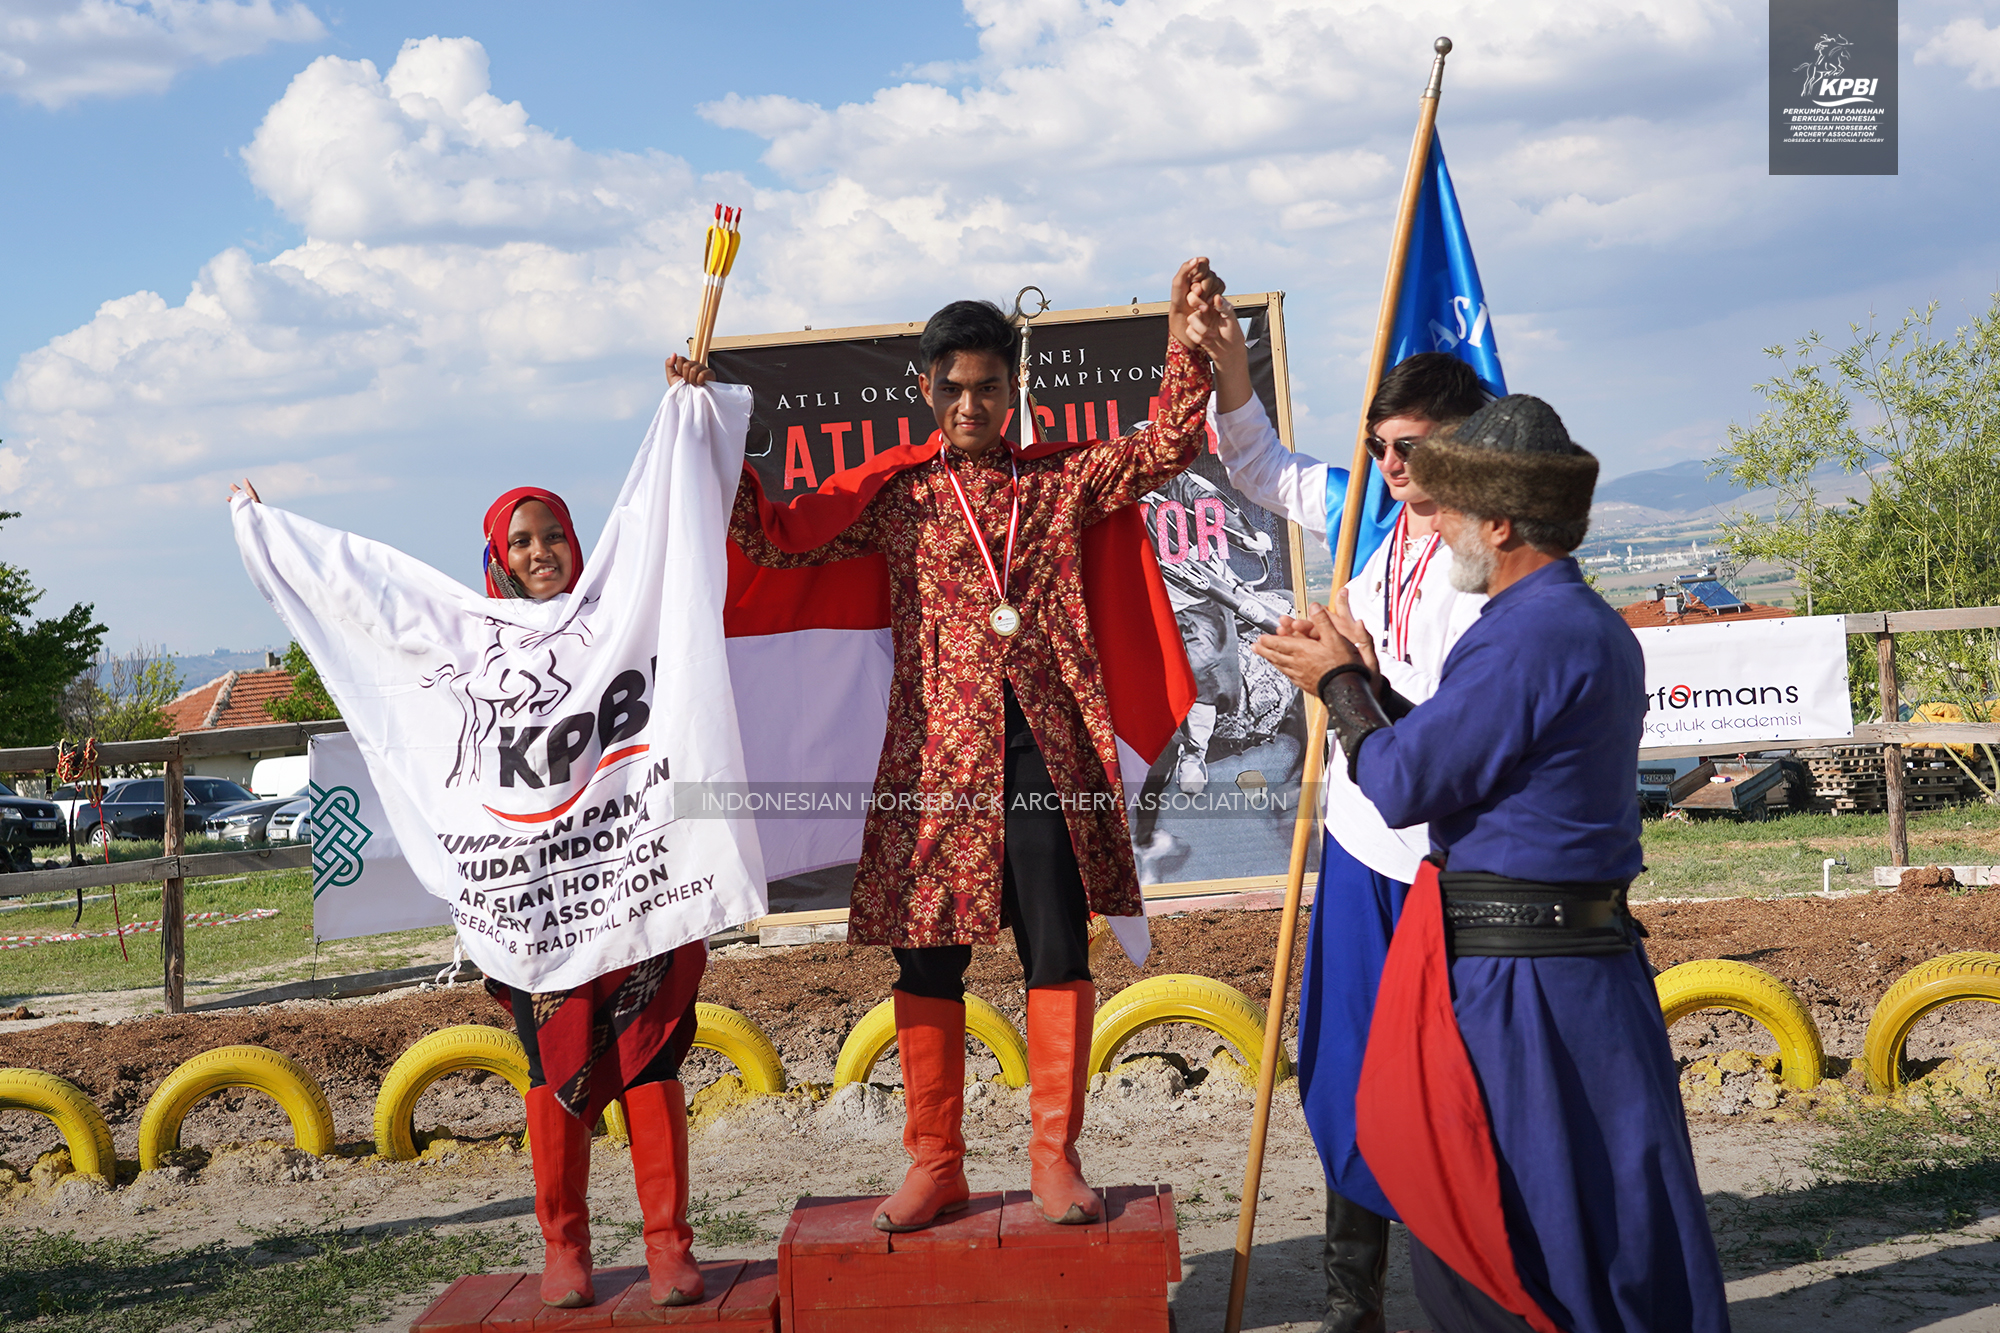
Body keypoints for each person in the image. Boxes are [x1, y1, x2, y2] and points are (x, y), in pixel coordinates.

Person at [709, 260, 1228, 1232]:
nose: (971, 404)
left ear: (1012, 388)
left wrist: (1183, 343)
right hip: (933, 766)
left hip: (1043, 754)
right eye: (953, 387)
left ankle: (1054, 1160)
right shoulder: (896, 495)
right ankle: (934, 1165)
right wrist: (713, 435)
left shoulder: (1059, 480)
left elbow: (1165, 445)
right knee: (925, 963)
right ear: (925, 389)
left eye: (988, 386)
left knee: (1054, 949)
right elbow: (777, 542)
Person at [1251, 395, 1729, 1333]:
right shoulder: (1577, 622)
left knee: (1500, 1237)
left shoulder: (1524, 633)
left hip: (1524, 988)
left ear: (1501, 523)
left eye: (1453, 509)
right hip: (1575, 970)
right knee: (1595, 1227)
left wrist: (1338, 683)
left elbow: (1403, 780)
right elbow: (1463, 754)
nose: (1436, 527)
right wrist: (1367, 682)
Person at [225, 480, 712, 1313]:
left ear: (576, 541)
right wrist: (275, 536)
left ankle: (669, 1248)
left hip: (631, 890)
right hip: (532, 909)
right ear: (499, 557)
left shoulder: (622, 620)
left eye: (553, 534)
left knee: (649, 1055)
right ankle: (565, 1250)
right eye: (522, 540)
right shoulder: (469, 643)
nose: (540, 551)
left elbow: (683, 561)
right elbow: (372, 604)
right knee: (550, 1064)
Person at [1209, 330, 1488, 1333]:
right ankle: (1350, 1299)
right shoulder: (1368, 511)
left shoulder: (1495, 561)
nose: (1390, 465)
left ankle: (1476, 1286)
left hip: (1443, 862)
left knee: (1446, 1079)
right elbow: (1258, 465)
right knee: (1345, 1069)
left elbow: (1465, 728)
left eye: (1411, 446)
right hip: (1361, 845)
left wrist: (1349, 676)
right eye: (1379, 446)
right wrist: (1223, 360)